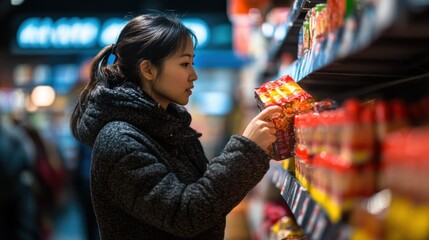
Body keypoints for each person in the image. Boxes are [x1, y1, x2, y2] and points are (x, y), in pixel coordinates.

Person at [70, 12, 281, 240]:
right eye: (184, 64)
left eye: (192, 63)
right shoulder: (119, 141)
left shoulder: (168, 128)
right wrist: (247, 150)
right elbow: (186, 214)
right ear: (148, 70)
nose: (194, 75)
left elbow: (207, 198)